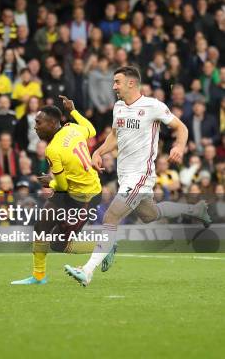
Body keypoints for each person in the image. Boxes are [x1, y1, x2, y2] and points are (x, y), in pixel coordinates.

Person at [65, 66, 211, 287]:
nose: (114, 87)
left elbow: (181, 128)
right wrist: (98, 152)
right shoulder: (119, 107)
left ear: (131, 83)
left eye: (117, 82)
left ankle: (87, 270)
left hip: (141, 176)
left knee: (110, 217)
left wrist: (179, 147)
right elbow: (114, 135)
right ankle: (195, 210)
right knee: (151, 214)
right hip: (126, 177)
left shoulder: (153, 106)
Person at [10, 96, 103, 285]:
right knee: (41, 226)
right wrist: (74, 111)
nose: (35, 127)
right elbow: (92, 130)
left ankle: (104, 247)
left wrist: (48, 182)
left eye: (38, 122)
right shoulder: (72, 128)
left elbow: (61, 186)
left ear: (53, 123)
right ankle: (38, 276)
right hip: (74, 191)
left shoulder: (53, 149)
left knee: (59, 244)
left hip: (85, 195)